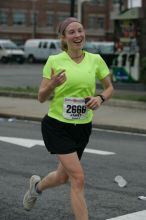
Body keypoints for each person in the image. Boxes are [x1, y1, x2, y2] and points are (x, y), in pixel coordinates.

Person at [23, 17, 114, 220]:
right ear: (63, 37)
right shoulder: (54, 61)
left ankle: (36, 188)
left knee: (63, 177)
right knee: (78, 178)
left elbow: (109, 88)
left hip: (82, 127)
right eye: (71, 32)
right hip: (57, 126)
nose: (77, 35)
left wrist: (100, 98)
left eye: (80, 31)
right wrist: (52, 84)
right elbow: (40, 97)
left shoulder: (95, 60)